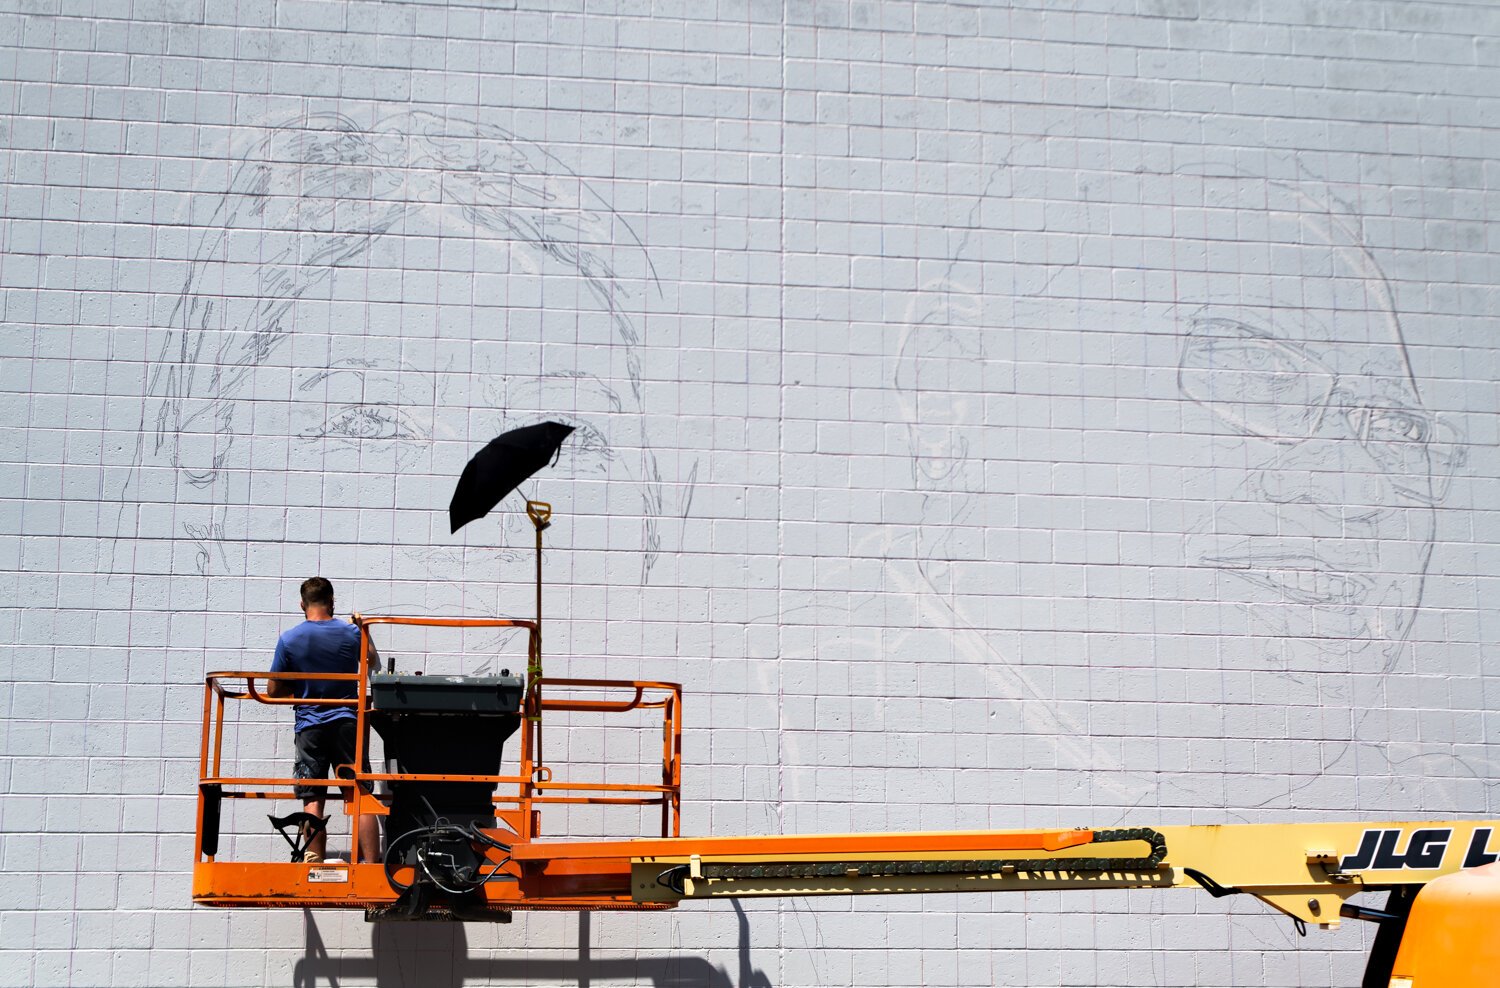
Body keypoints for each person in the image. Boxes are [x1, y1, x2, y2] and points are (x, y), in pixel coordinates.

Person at [267, 576, 381, 864]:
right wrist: (362, 628)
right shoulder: (350, 633)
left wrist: (302, 687)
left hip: (310, 726)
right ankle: (371, 866)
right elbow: (371, 663)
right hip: (346, 723)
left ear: (302, 604)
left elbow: (272, 690)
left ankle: (313, 862)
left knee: (313, 798)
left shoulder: (290, 639)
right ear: (332, 601)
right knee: (358, 795)